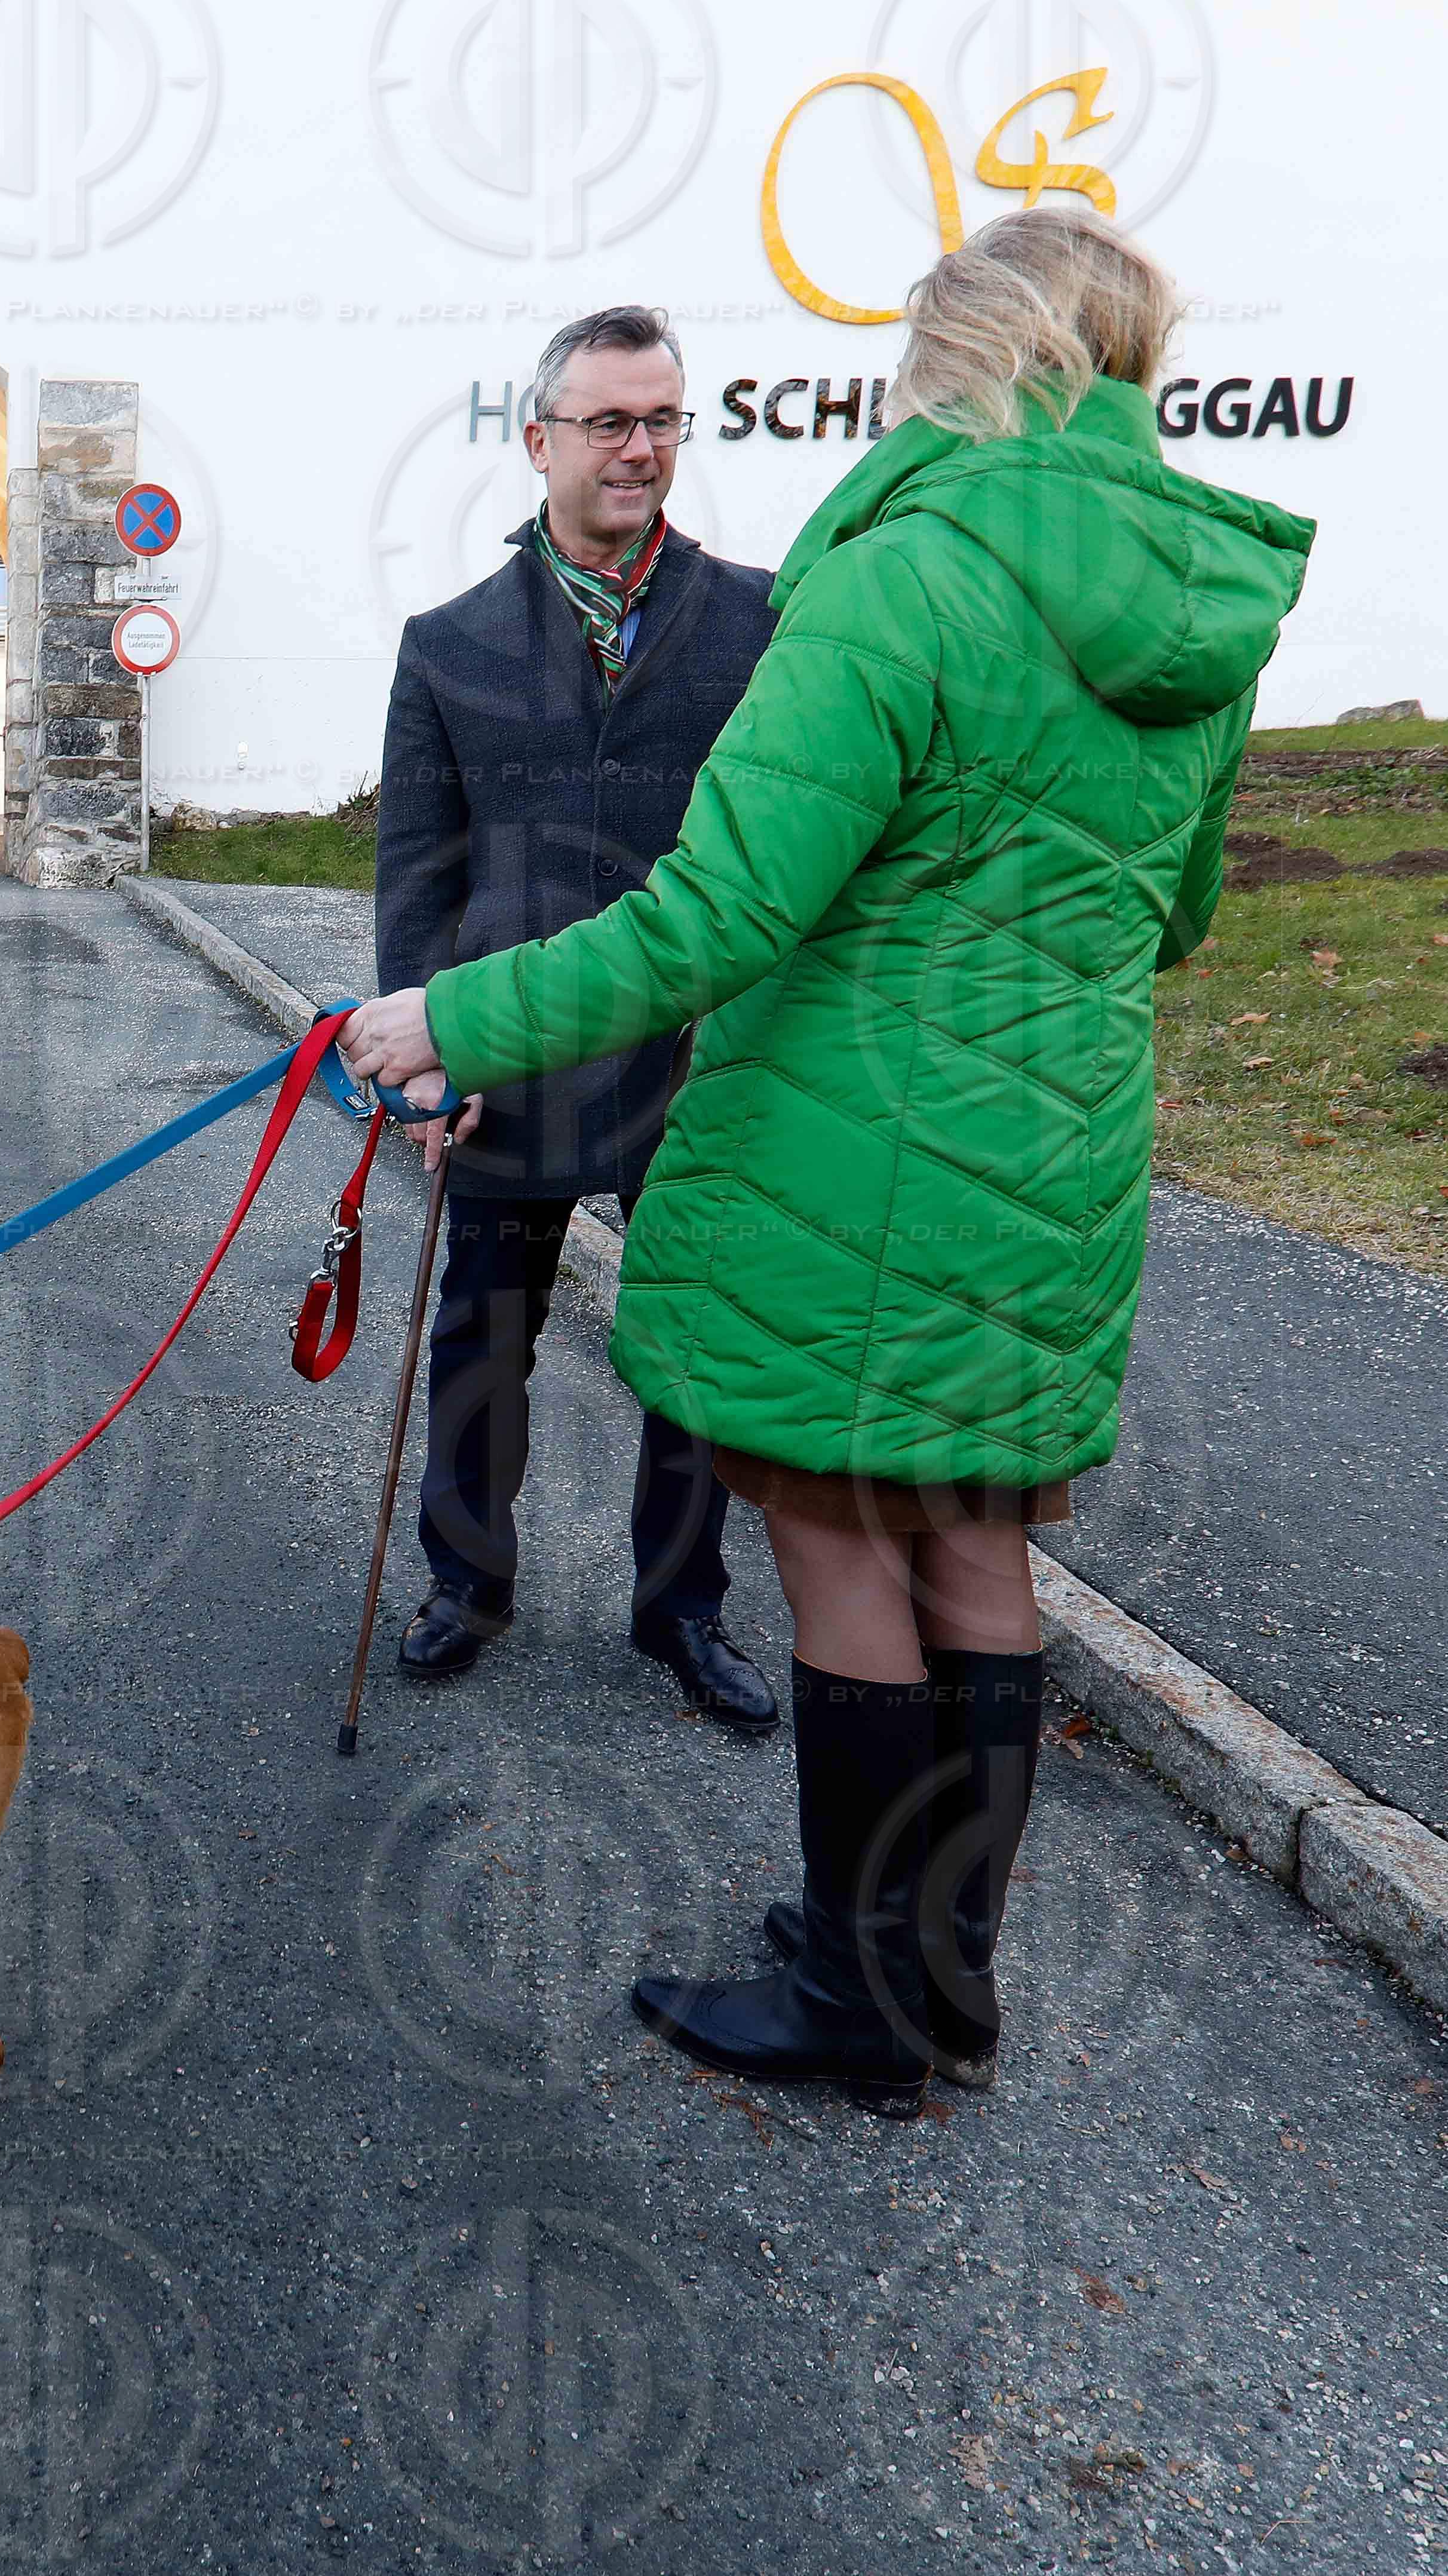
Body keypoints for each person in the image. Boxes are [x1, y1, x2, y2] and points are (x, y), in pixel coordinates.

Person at [344, 210, 1312, 2120]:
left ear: (963, 359)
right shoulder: (1201, 606)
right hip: (1063, 1162)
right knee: (979, 1548)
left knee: (849, 1550)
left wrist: (445, 1017)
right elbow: (1181, 913)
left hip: (854, 1153)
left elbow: (717, 916)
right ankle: (947, 1981)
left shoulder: (898, 575)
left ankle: (860, 2002)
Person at [375, 306, 778, 1728]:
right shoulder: (449, 645)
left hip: (697, 1056)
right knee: (482, 1338)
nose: (639, 448)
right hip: (517, 1048)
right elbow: (419, 876)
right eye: (609, 421)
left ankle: (683, 1609)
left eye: (662, 419)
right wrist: (433, 1055)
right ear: (539, 439)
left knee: (695, 1348)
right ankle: (465, 1582)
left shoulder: (761, 619)